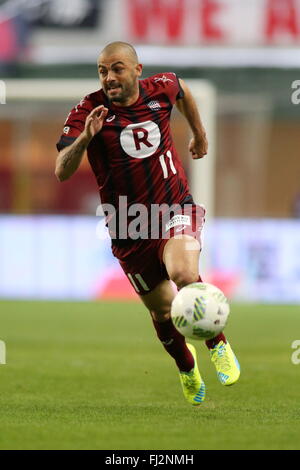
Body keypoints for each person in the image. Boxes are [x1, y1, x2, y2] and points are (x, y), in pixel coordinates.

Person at [55, 41, 240, 405]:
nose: (109, 77)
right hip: (129, 227)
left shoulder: (161, 87)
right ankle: (187, 368)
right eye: (103, 71)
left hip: (174, 209)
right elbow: (62, 171)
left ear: (138, 70)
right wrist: (86, 139)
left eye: (118, 68)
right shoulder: (88, 110)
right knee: (163, 309)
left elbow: (182, 90)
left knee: (185, 274)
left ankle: (217, 344)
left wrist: (199, 134)